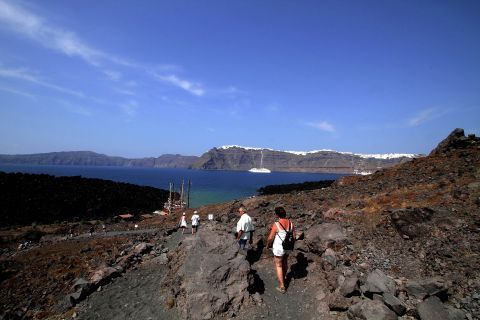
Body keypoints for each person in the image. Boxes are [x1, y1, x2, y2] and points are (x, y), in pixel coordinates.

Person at [267, 206, 296, 294]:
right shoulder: (291, 223)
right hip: (288, 247)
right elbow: (294, 237)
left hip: (279, 248)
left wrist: (268, 245)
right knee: (285, 262)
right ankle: (283, 277)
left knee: (279, 265)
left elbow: (270, 238)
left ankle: (282, 286)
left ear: (277, 215)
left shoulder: (276, 224)